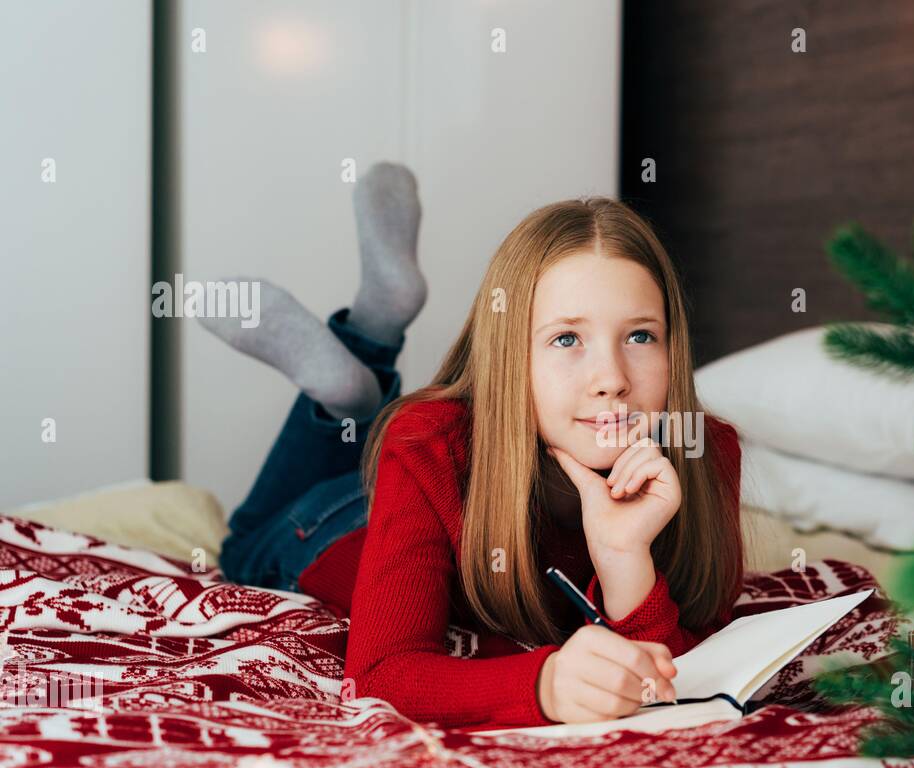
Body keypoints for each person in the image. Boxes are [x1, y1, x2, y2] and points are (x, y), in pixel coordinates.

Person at [205, 163, 743, 732]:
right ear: (510, 354)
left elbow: (687, 678)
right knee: (243, 549)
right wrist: (543, 687)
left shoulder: (707, 452)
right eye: (567, 338)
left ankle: (359, 371)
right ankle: (359, 372)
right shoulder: (428, 441)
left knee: (381, 426)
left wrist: (625, 560)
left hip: (422, 482)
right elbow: (383, 673)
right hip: (335, 526)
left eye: (640, 336)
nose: (611, 378)